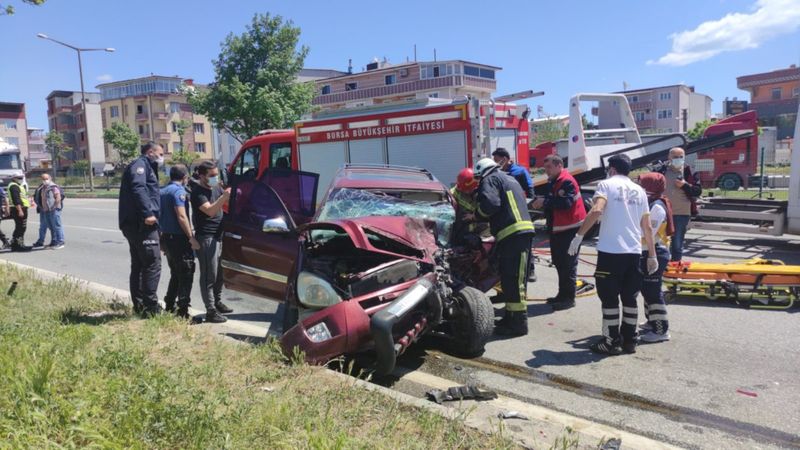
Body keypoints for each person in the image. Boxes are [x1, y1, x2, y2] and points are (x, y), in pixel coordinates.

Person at [568, 154, 658, 355]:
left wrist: (579, 236)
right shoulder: (640, 190)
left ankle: (610, 341)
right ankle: (630, 340)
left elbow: (597, 210)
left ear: (613, 169)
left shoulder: (606, 185)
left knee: (609, 299)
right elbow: (648, 227)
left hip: (610, 252)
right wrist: (652, 255)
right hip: (633, 253)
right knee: (630, 298)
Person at [474, 157, 535, 336]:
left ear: (482, 172)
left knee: (515, 280)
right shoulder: (508, 177)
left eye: (478, 178)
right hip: (518, 233)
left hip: (513, 234)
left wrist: (476, 215)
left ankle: (518, 325)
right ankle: (511, 317)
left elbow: (491, 204)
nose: (479, 182)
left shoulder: (489, 179)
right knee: (510, 279)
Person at [531, 155, 586, 311]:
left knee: (568, 265)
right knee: (560, 263)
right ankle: (562, 295)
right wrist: (541, 201)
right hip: (558, 229)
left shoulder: (566, 181)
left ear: (559, 165)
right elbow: (553, 199)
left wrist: (545, 202)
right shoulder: (554, 181)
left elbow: (566, 204)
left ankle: (569, 298)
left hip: (569, 230)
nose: (546, 171)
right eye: (545, 168)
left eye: (549, 167)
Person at [119, 141, 164, 317]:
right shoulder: (140, 166)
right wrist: (148, 213)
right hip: (142, 223)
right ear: (151, 152)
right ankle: (150, 307)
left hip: (135, 224)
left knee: (139, 264)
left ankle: (140, 306)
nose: (162, 157)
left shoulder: (146, 166)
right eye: (160, 153)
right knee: (152, 263)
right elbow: (138, 188)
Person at [190, 160, 233, 323]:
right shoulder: (198, 192)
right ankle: (210, 310)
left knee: (220, 274)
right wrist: (224, 196)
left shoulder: (215, 187)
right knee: (209, 276)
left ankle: (217, 301)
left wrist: (227, 193)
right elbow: (210, 210)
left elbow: (225, 204)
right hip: (207, 238)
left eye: (217, 175)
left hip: (218, 236)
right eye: (212, 176)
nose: (216, 178)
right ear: (202, 176)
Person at [637, 173, 673, 343]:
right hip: (646, 251)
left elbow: (647, 232)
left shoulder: (657, 207)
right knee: (646, 289)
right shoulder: (650, 203)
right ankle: (652, 322)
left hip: (655, 253)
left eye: (642, 184)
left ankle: (661, 330)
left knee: (653, 291)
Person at [160, 164, 199, 319]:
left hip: (167, 238)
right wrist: (191, 238)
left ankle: (169, 304)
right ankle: (183, 312)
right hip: (179, 239)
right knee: (186, 273)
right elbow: (182, 216)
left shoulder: (161, 191)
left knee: (175, 273)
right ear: (185, 177)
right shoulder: (178, 192)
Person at [492, 147, 537, 282]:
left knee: (525, 243)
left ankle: (530, 270)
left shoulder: (519, 171)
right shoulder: (498, 173)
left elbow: (530, 190)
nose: (495, 163)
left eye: (497, 160)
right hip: (506, 213)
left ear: (504, 159)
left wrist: (528, 207)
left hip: (520, 212)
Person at [655, 147, 701, 262]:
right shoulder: (661, 171)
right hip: (663, 213)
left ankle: (676, 267)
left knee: (677, 244)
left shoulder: (689, 171)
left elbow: (698, 191)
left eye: (681, 157)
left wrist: (685, 185)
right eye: (675, 157)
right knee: (660, 242)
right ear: (669, 158)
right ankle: (661, 267)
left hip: (681, 213)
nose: (679, 159)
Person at [32, 174, 65, 249]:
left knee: (57, 225)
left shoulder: (53, 187)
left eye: (46, 179)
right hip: (45, 210)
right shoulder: (43, 187)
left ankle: (60, 241)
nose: (45, 180)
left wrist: (54, 207)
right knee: (51, 226)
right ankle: (54, 241)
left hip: (54, 210)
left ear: (50, 178)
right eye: (43, 179)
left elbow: (58, 198)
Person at [7, 174, 32, 252]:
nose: (21, 179)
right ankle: (19, 246)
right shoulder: (14, 186)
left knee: (19, 227)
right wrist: (20, 210)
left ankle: (14, 245)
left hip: (18, 208)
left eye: (21, 178)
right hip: (19, 208)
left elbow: (21, 196)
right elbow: (16, 199)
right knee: (21, 228)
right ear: (14, 178)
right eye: (19, 178)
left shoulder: (17, 185)